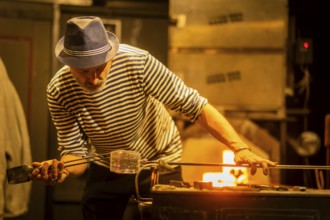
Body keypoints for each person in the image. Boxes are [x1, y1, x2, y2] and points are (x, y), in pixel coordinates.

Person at [31, 16, 277, 220]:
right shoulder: (59, 90)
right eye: (84, 72)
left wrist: (239, 147)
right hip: (108, 163)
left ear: (111, 56)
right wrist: (61, 171)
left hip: (159, 161)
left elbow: (195, 105)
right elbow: (77, 155)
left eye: (100, 68)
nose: (94, 79)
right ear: (68, 62)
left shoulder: (137, 63)